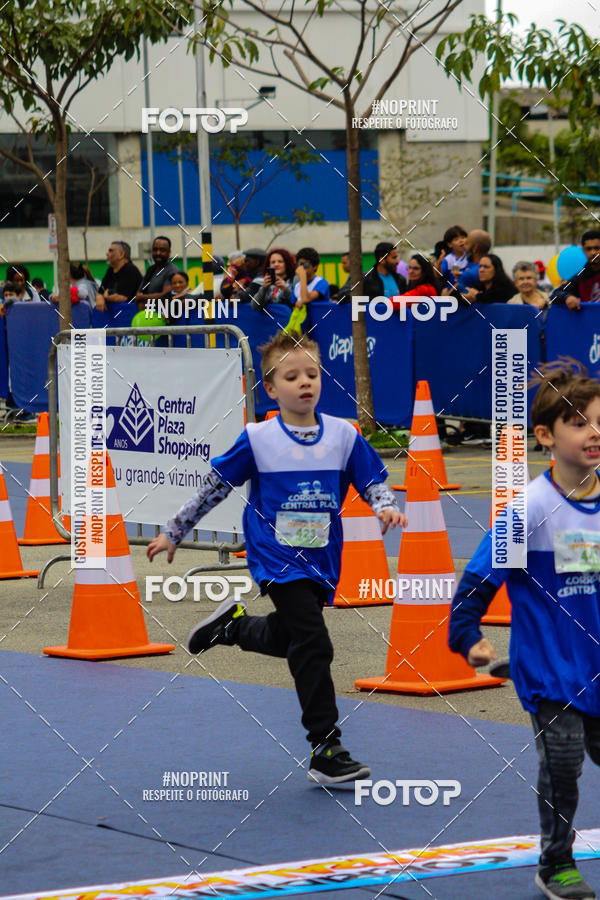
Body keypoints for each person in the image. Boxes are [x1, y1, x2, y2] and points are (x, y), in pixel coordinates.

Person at [147, 330, 406, 785]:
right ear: (271, 388)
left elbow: (371, 479)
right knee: (314, 643)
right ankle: (326, 748)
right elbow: (215, 486)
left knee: (292, 635)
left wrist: (385, 505)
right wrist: (174, 530)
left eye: (312, 373)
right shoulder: (259, 438)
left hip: (322, 559)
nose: (305, 382)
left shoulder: (343, 435)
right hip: (275, 557)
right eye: (292, 376)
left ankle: (234, 627)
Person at [449, 357, 600, 900]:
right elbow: (474, 587)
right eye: (580, 423)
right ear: (545, 435)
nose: (595, 434)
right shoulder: (528, 510)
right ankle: (556, 862)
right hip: (553, 671)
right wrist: (468, 636)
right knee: (563, 766)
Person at [553, 230, 600, 309]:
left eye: (597, 248)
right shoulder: (580, 276)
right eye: (588, 249)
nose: (593, 253)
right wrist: (567, 297)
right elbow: (556, 294)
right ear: (583, 251)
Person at [95, 241, 143, 312]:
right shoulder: (110, 270)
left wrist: (104, 297)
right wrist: (100, 297)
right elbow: (100, 293)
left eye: (111, 251)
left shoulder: (131, 270)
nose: (107, 253)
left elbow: (121, 298)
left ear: (121, 254)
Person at [135, 236, 179, 310]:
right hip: (146, 316)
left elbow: (166, 296)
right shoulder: (151, 269)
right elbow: (140, 292)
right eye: (155, 249)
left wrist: (143, 297)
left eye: (162, 250)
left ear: (169, 252)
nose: (158, 253)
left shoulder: (172, 271)